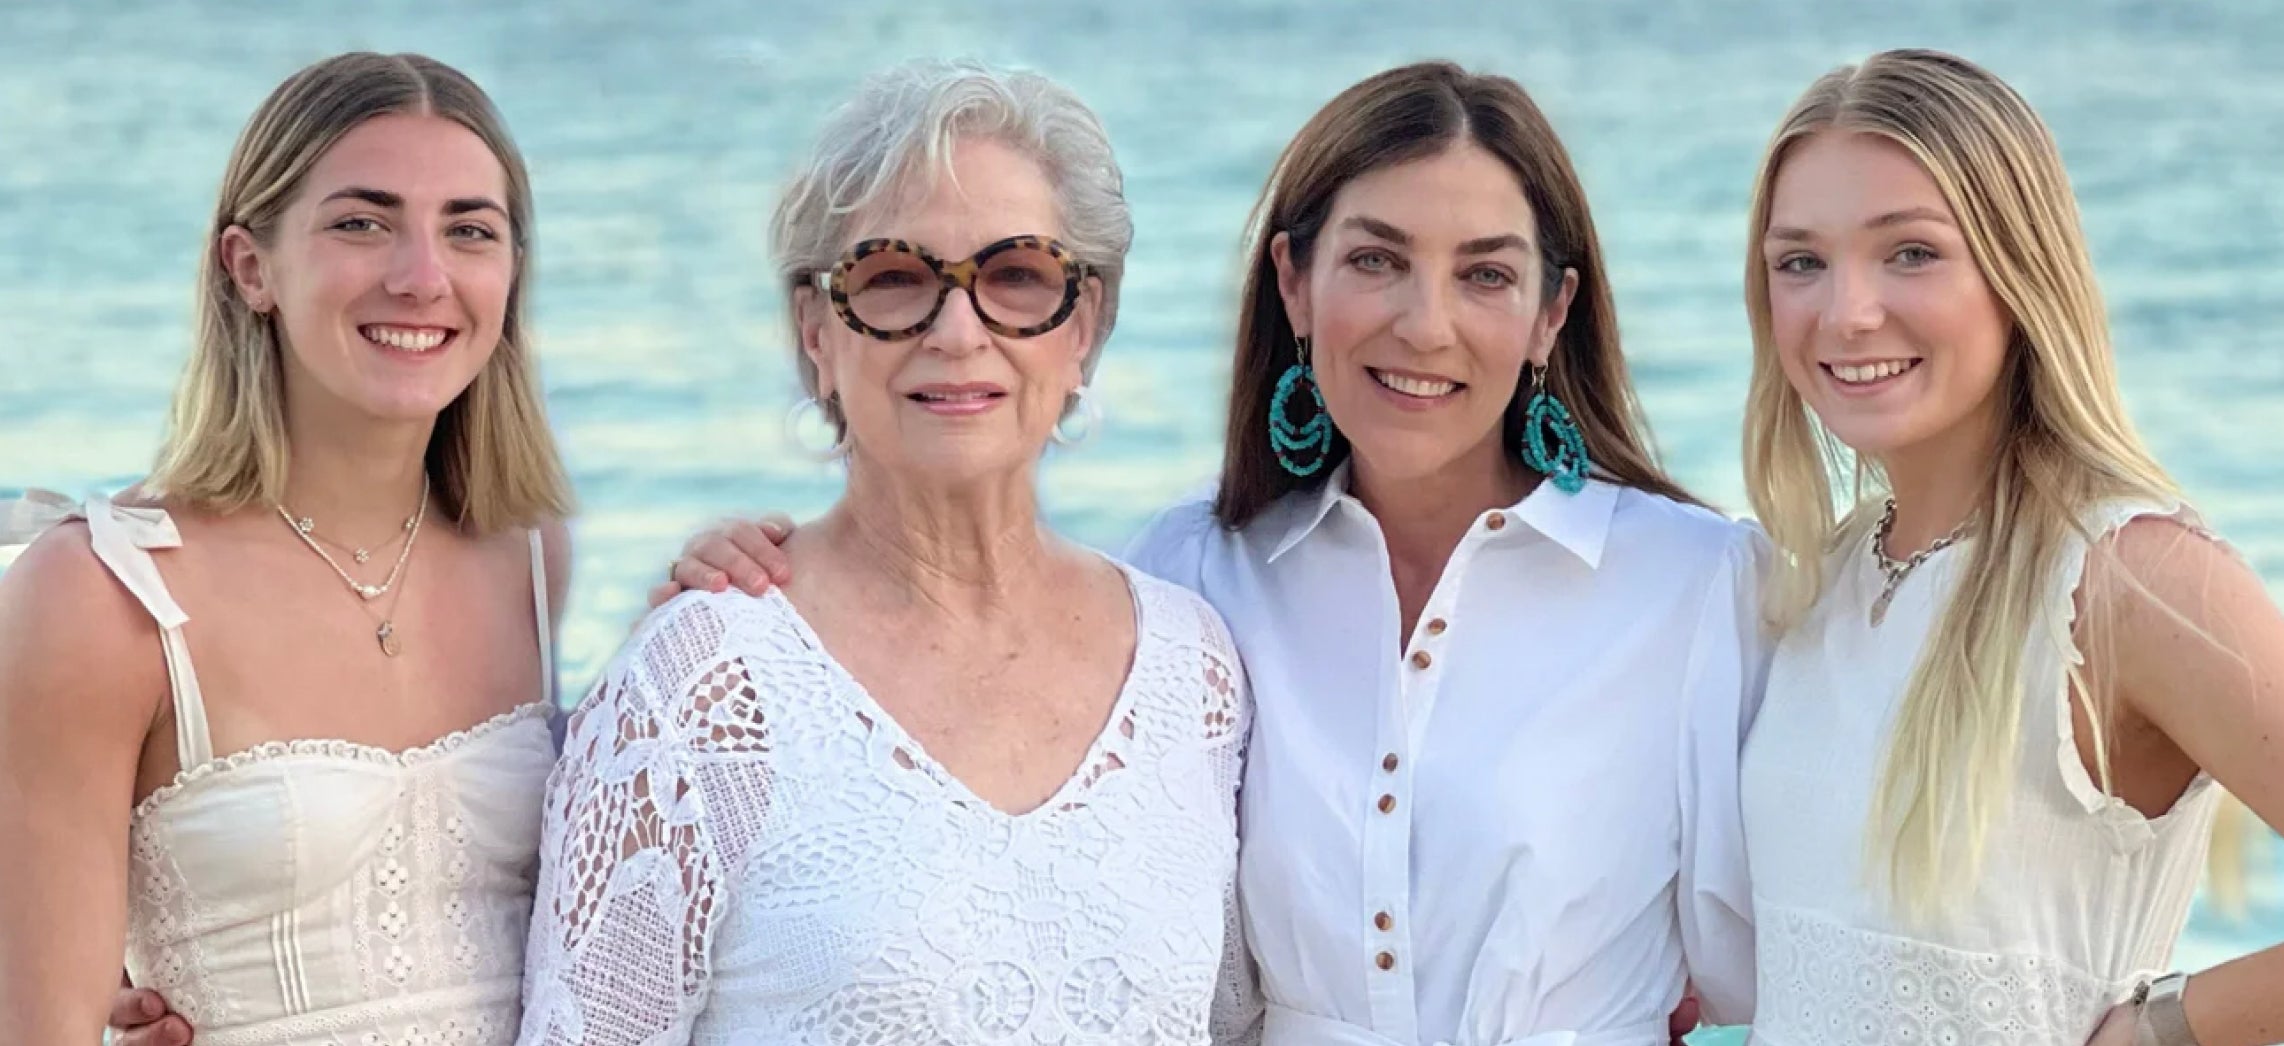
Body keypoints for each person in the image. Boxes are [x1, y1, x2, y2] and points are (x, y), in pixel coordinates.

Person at [667, 61, 1763, 1046]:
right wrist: (775, 580)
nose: (1425, 325)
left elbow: (1764, 966)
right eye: (1375, 260)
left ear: (1549, 313)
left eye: (1485, 275)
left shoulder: (1694, 584)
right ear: (1292, 282)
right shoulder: (1189, 580)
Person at [513, 59, 1260, 1044]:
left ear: (1084, 327)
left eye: (1016, 274)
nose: (959, 330)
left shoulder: (1190, 665)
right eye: (895, 278)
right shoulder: (698, 684)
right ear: (815, 329)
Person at [0, 51, 573, 1044]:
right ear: (249, 265)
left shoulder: (530, 555)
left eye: (468, 230)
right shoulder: (100, 594)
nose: (421, 276)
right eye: (362, 222)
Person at [1735, 48, 2284, 1046]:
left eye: (1910, 252)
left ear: (2016, 267)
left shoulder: (2127, 573)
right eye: (1800, 261)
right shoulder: (1825, 581)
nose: (1845, 311)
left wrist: (2162, 1029)